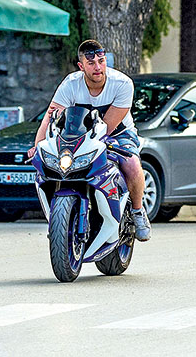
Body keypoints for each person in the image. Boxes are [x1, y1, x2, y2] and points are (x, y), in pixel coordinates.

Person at [27, 40, 151, 241]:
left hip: (118, 133)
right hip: (79, 136)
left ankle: (138, 212)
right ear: (81, 66)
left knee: (132, 164)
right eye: (91, 63)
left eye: (101, 61)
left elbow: (107, 126)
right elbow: (50, 117)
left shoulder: (122, 84)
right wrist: (37, 145)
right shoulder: (70, 84)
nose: (97, 67)